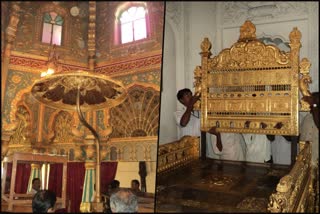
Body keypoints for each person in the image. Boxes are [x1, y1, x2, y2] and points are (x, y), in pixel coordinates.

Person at [300, 92, 319, 165]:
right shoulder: (307, 117)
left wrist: (314, 105)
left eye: (314, 100)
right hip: (306, 159)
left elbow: (317, 124)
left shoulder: (315, 114)